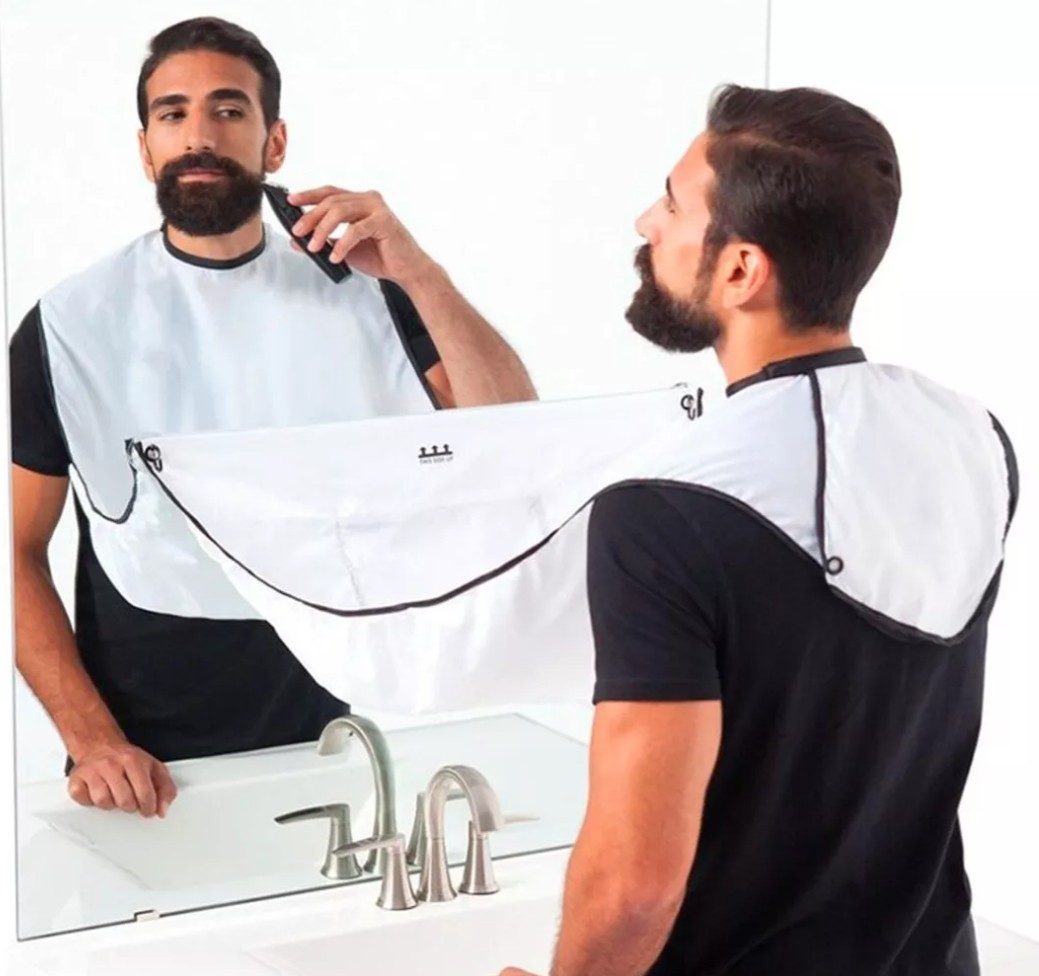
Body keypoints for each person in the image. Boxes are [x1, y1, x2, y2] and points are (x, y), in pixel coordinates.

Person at [500, 85, 1017, 976]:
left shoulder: (660, 510)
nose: (644, 223)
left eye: (671, 206)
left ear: (741, 270)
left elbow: (634, 886)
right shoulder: (975, 439)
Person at [9, 17, 535, 820]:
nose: (199, 135)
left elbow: (514, 437)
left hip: (334, 745)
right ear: (145, 149)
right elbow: (15, 551)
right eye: (173, 114)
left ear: (274, 141)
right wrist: (93, 739)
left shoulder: (368, 291)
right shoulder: (71, 324)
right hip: (142, 767)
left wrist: (418, 272)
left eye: (228, 110)